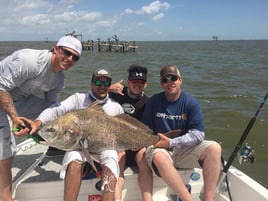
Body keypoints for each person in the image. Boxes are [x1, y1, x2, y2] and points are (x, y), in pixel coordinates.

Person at [0, 35, 82, 201]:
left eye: (75, 57)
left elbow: (53, 108)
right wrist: (15, 118)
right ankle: (5, 197)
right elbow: (1, 88)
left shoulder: (58, 79)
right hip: (2, 95)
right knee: (7, 153)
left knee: (58, 113)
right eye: (66, 52)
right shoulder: (29, 61)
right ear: (56, 48)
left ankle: (55, 145)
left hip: (20, 101)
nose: (70, 59)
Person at [26, 69, 124, 201]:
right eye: (98, 82)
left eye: (106, 83)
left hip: (104, 147)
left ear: (109, 86)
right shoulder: (78, 99)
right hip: (78, 147)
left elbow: (122, 132)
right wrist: (38, 122)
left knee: (111, 162)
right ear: (91, 83)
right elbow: (56, 109)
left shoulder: (116, 107)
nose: (102, 86)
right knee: (73, 160)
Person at [141, 65, 222, 201]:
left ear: (180, 80)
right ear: (162, 84)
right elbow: (144, 129)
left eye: (173, 78)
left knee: (215, 148)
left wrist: (171, 142)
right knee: (160, 157)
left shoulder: (191, 102)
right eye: (165, 80)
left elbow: (198, 135)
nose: (170, 82)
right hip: (159, 148)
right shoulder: (154, 101)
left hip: (182, 149)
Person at [109, 65, 152, 201]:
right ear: (128, 82)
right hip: (118, 143)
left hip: (137, 144)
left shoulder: (148, 102)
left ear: (146, 84)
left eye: (141, 82)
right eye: (134, 81)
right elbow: (93, 96)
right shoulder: (116, 95)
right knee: (119, 162)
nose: (137, 85)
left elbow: (149, 128)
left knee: (143, 160)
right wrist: (109, 88)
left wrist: (139, 143)